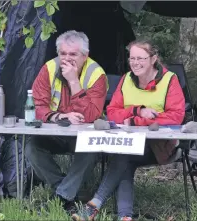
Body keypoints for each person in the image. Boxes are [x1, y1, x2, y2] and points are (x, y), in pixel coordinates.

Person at [71, 39, 185, 221]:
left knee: (123, 155)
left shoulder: (170, 80)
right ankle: (125, 217)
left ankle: (94, 205)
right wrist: (137, 111)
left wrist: (135, 121)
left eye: (141, 58)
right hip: (127, 143)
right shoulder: (125, 79)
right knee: (125, 157)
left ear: (153, 58)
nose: (135, 63)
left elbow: (176, 117)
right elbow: (112, 112)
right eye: (132, 58)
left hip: (160, 146)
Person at [25, 30, 108, 210]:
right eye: (63, 53)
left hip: (83, 136)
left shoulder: (96, 74)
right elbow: (36, 106)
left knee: (91, 150)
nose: (67, 59)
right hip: (56, 132)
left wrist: (74, 82)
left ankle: (61, 198)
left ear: (85, 56)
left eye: (73, 54)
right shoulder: (49, 68)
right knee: (32, 148)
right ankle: (67, 192)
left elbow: (92, 114)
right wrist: (58, 116)